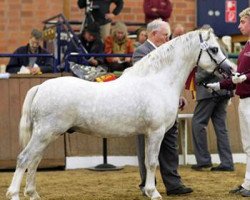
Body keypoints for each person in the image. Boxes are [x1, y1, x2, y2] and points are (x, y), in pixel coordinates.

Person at [132, 18, 193, 196]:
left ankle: (173, 184)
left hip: (167, 108)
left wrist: (177, 96)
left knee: (170, 147)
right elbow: (143, 80)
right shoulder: (140, 52)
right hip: (148, 110)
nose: (168, 39)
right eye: (165, 35)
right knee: (146, 147)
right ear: (153, 34)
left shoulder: (168, 52)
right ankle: (147, 184)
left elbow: (171, 81)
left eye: (168, 35)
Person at [206, 7, 250, 197]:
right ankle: (248, 182)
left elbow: (244, 75)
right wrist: (220, 85)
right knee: (248, 145)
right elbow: (239, 75)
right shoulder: (247, 45)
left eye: (243, 22)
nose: (239, 25)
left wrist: (245, 77)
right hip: (244, 99)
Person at [191, 66, 234, 171]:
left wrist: (196, 77)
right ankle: (227, 162)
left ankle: (203, 161)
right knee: (221, 128)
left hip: (209, 91)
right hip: (224, 90)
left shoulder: (207, 49)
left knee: (198, 123)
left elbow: (210, 68)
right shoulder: (222, 49)